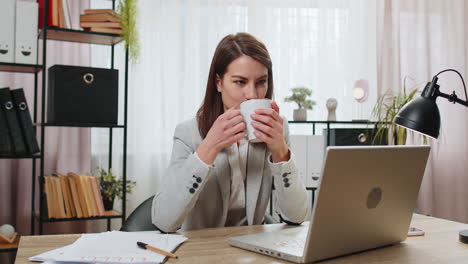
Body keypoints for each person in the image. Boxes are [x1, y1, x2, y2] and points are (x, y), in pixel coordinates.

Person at [152, 32, 308, 232]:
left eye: (261, 82)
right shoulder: (188, 133)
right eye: (240, 82)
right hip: (202, 250)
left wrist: (281, 153)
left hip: (252, 248)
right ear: (218, 83)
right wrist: (209, 146)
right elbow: (163, 220)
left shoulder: (276, 129)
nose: (252, 94)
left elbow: (296, 216)